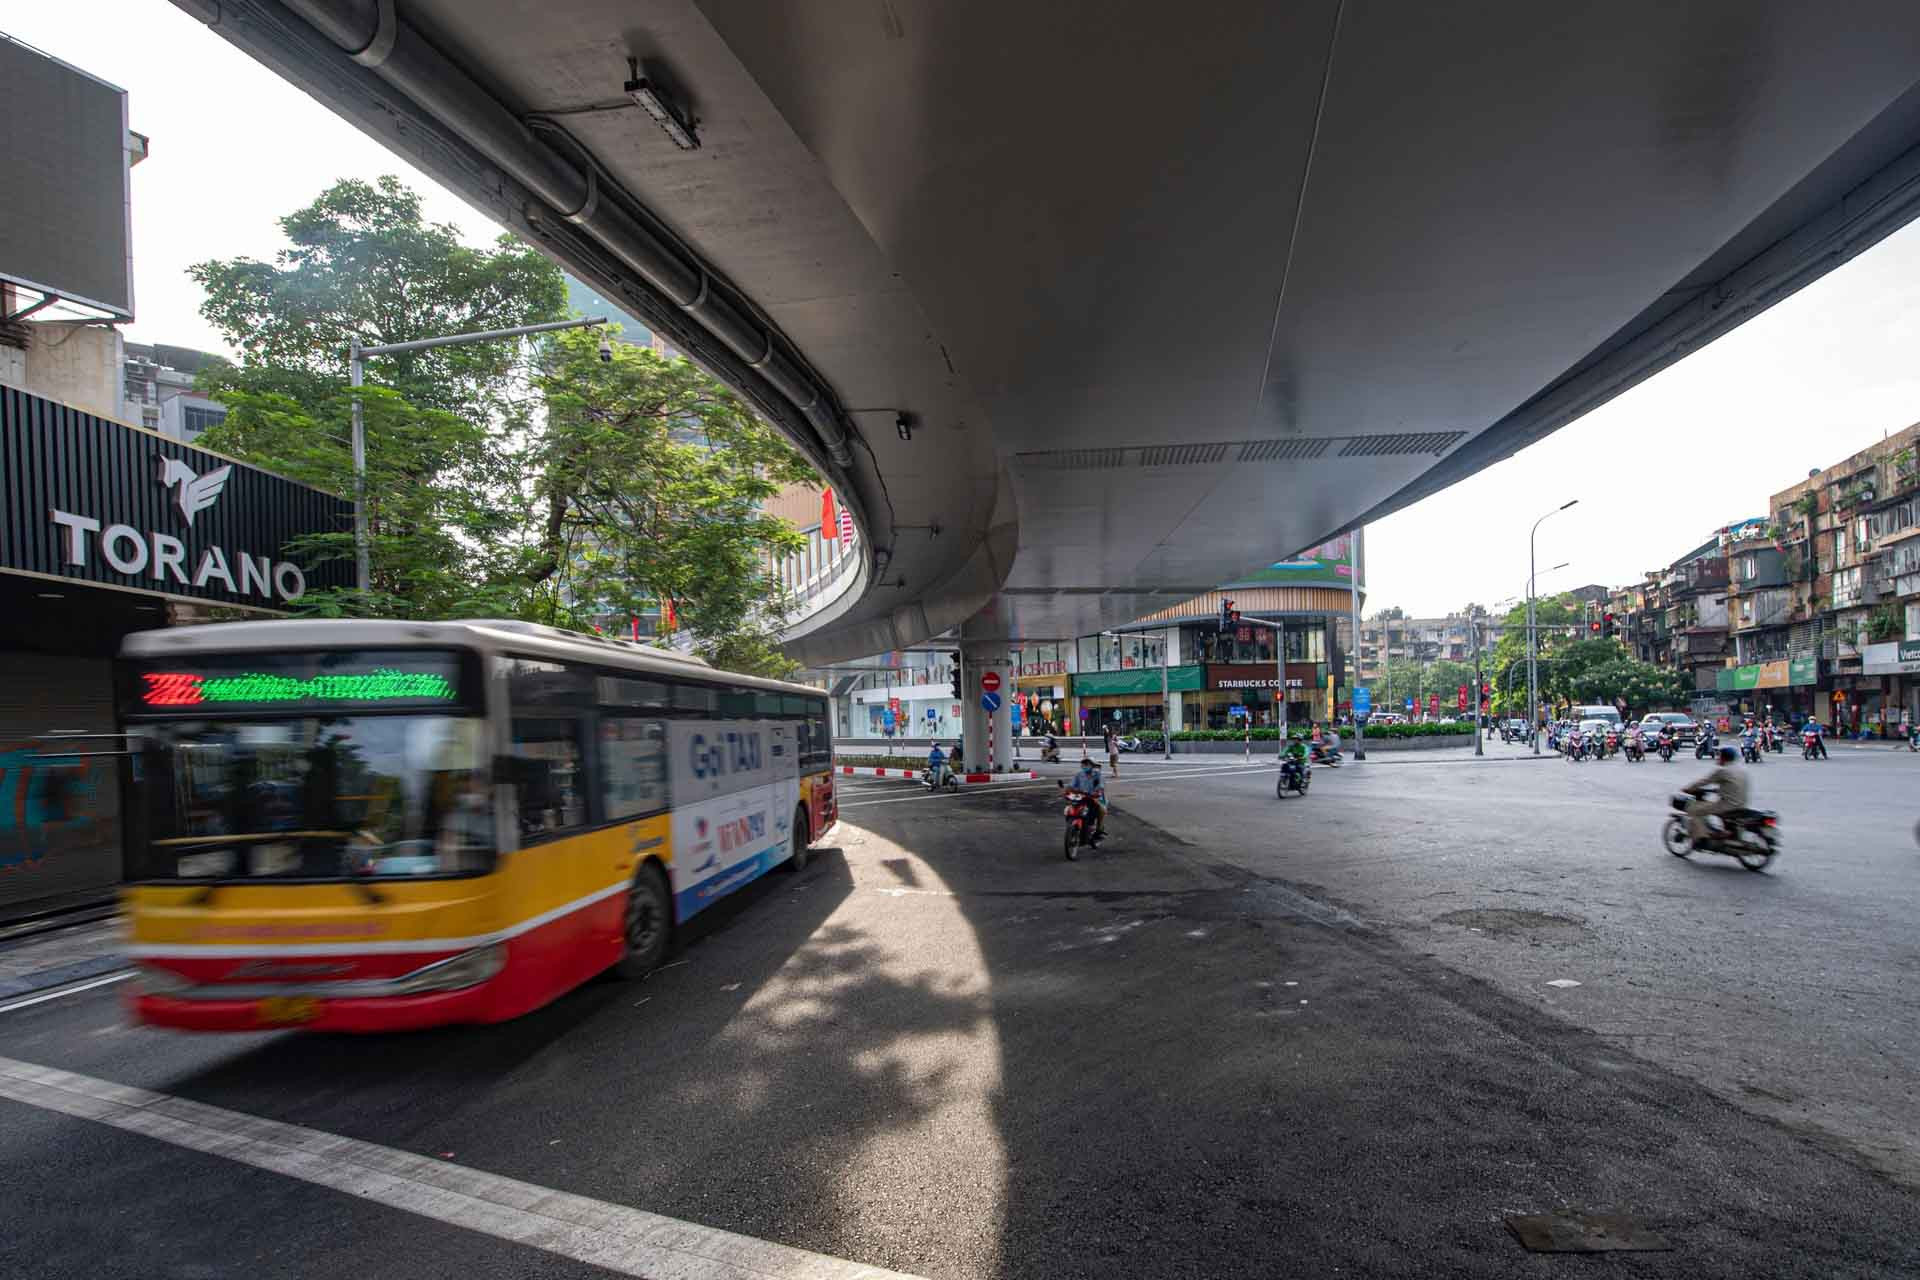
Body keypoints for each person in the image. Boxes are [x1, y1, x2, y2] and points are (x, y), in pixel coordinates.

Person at [1683, 745, 1749, 842]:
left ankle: (1702, 839)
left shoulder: (1722, 771)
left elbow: (1703, 781)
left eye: (1719, 755)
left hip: (1728, 805)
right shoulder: (1741, 769)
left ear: (1723, 757)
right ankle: (1721, 832)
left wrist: (1687, 789)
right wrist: (1716, 790)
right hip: (1742, 804)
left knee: (1693, 810)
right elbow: (1733, 786)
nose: (1718, 758)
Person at [1068, 756, 1107, 841]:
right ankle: (1073, 825)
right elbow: (1071, 785)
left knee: (1101, 810)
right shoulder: (1079, 774)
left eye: (1087, 764)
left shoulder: (1098, 774)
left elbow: (1101, 786)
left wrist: (1097, 792)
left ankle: (1098, 831)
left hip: (1095, 798)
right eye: (1083, 764)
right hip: (1081, 797)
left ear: (1092, 765)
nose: (1085, 766)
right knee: (1069, 809)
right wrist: (1067, 790)